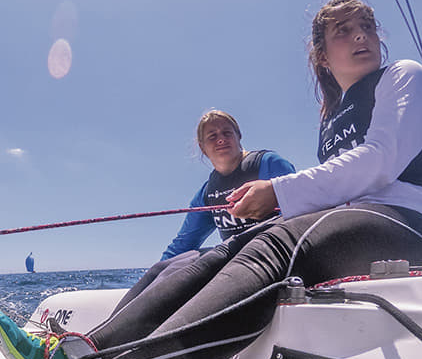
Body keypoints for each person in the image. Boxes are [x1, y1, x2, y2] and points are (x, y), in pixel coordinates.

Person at [0, 0, 422, 359]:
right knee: (209, 256)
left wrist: (277, 192)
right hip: (358, 221)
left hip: (417, 223)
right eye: (343, 31)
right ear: (321, 55)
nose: (360, 36)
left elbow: (380, 161)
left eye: (366, 27)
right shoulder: (333, 115)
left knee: (275, 248)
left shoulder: (405, 75)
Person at [115, 111, 295, 314]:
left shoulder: (268, 163)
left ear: (239, 136)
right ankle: (110, 327)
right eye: (212, 136)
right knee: (164, 269)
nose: (221, 139)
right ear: (202, 147)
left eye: (227, 132)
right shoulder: (207, 192)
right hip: (233, 258)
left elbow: (302, 211)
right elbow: (184, 243)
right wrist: (155, 277)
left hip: (273, 257)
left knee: (204, 264)